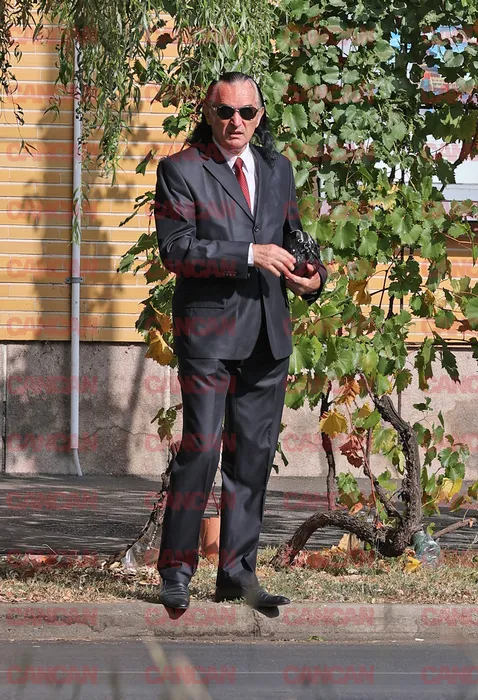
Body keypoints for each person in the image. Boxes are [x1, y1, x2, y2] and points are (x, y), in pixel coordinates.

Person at [154, 71, 327, 609]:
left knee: (252, 457)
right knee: (202, 451)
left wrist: (313, 276)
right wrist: (250, 254)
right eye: (225, 111)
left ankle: (236, 574)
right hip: (207, 336)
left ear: (260, 116)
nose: (236, 122)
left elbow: (294, 238)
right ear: (208, 114)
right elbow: (177, 251)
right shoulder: (181, 169)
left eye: (246, 112)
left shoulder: (278, 170)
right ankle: (176, 571)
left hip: (267, 335)